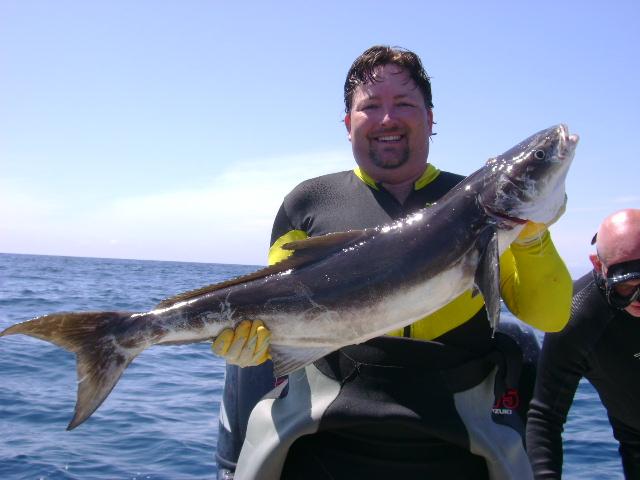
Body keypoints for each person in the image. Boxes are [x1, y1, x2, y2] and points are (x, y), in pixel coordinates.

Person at [213, 45, 572, 479]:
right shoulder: (306, 204)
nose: (387, 119)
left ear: (430, 118)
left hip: (458, 444)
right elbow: (277, 304)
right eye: (370, 107)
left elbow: (548, 316)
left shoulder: (479, 207)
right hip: (323, 441)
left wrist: (533, 237)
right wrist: (257, 346)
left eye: (404, 104)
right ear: (348, 125)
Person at [526, 209, 640, 479]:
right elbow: (545, 417)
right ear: (598, 265)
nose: (639, 297)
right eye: (627, 286)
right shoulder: (577, 318)